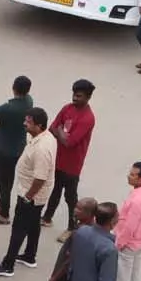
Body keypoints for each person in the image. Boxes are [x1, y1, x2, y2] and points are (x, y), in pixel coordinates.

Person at [0, 106, 55, 276]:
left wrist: (28, 197)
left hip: (31, 195)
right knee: (33, 225)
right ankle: (30, 255)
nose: (24, 124)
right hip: (33, 193)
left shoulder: (42, 148)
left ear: (39, 126)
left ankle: (7, 265)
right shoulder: (44, 137)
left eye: (29, 122)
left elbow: (40, 177)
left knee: (19, 228)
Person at [43, 80, 97, 243]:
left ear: (88, 97)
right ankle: (47, 217)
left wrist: (59, 131)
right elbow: (52, 127)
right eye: (74, 94)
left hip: (73, 164)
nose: (74, 98)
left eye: (79, 96)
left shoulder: (88, 118)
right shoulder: (67, 108)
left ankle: (72, 226)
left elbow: (70, 142)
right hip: (58, 158)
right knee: (56, 189)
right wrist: (61, 132)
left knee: (70, 196)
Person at [0, 76, 33, 225]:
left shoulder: (8, 108)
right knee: (7, 178)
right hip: (18, 147)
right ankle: (1, 203)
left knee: (3, 180)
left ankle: (4, 213)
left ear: (14, 88)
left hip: (4, 149)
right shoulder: (28, 101)